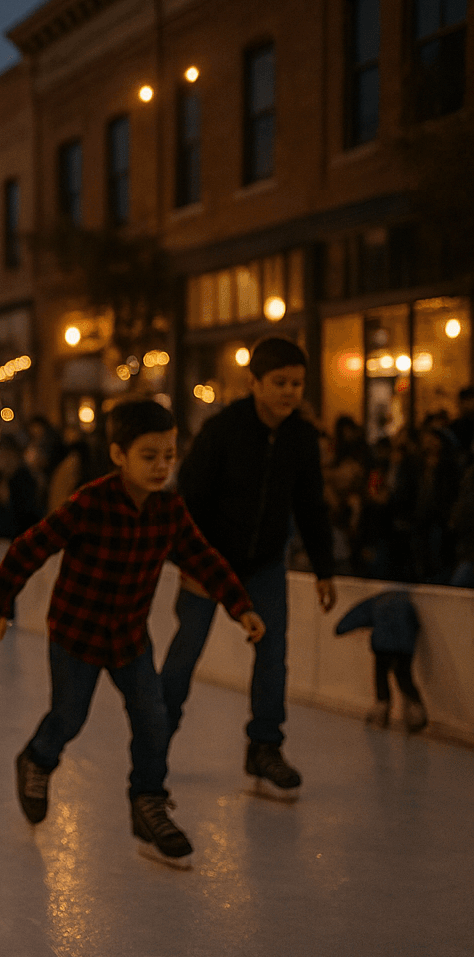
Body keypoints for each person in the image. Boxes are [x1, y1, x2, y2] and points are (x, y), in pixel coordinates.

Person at [0, 400, 263, 865]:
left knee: (153, 719)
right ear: (119, 455)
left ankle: (148, 803)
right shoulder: (90, 503)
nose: (161, 467)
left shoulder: (169, 509)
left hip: (129, 638)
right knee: (69, 717)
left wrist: (240, 606)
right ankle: (36, 759)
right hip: (77, 635)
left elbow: (201, 557)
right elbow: (29, 548)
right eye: (149, 456)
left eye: (169, 456)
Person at [163, 337, 337, 795]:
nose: (289, 392)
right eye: (279, 382)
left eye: (297, 384)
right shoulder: (223, 429)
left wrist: (324, 569)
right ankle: (153, 741)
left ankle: (264, 747)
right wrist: (188, 557)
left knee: (273, 652)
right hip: (208, 560)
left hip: (263, 563)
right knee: (186, 652)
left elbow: (311, 504)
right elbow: (190, 498)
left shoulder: (301, 437)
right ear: (254, 383)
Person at [333, 591, 427, 732]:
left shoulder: (378, 600)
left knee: (381, 676)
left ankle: (382, 707)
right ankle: (415, 709)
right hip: (404, 646)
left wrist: (340, 629)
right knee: (404, 676)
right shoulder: (406, 601)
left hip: (383, 645)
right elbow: (416, 624)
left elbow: (358, 616)